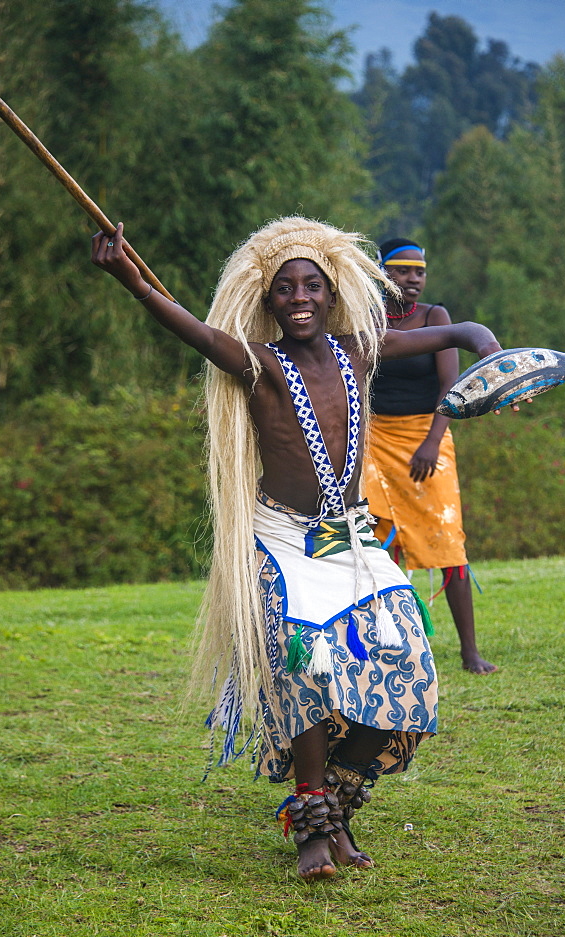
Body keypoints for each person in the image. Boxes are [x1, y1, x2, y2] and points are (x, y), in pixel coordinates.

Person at [91, 217, 502, 881]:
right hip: (284, 537)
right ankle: (310, 822)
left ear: (332, 292)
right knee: (308, 665)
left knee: (409, 662)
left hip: (352, 535)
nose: (301, 296)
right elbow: (193, 331)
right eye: (286, 289)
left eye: (313, 284)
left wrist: (478, 338)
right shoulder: (258, 362)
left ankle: (336, 799)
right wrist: (130, 278)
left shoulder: (359, 349)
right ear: (269, 302)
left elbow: (448, 333)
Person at [364, 238, 498, 675]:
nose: (413, 279)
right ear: (382, 273)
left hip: (428, 433)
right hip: (374, 438)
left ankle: (469, 651)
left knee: (446, 538)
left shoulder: (434, 317)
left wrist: (431, 442)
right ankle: (383, 642)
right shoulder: (363, 316)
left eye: (419, 271)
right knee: (378, 539)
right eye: (402, 270)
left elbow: (451, 386)